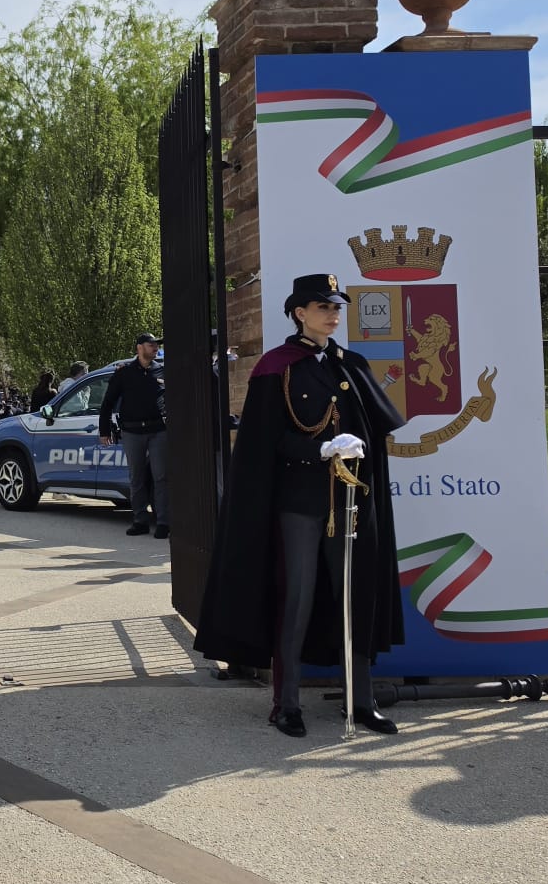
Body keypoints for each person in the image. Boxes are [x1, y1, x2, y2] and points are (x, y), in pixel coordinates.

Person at [193, 274, 406, 739]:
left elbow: (374, 429)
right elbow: (266, 441)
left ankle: (361, 699)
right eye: (321, 307)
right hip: (300, 502)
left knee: (355, 597)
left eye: (336, 307)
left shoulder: (351, 364)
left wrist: (355, 447)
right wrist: (320, 450)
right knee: (298, 597)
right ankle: (286, 703)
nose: (332, 314)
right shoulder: (277, 366)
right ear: (299, 313)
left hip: (350, 503)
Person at [99, 333, 170, 539]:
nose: (155, 348)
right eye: (151, 344)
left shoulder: (162, 370)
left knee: (161, 476)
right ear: (139, 347)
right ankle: (140, 520)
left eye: (156, 345)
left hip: (158, 430)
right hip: (132, 432)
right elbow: (108, 402)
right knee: (136, 477)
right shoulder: (124, 373)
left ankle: (164, 522)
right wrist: (104, 430)